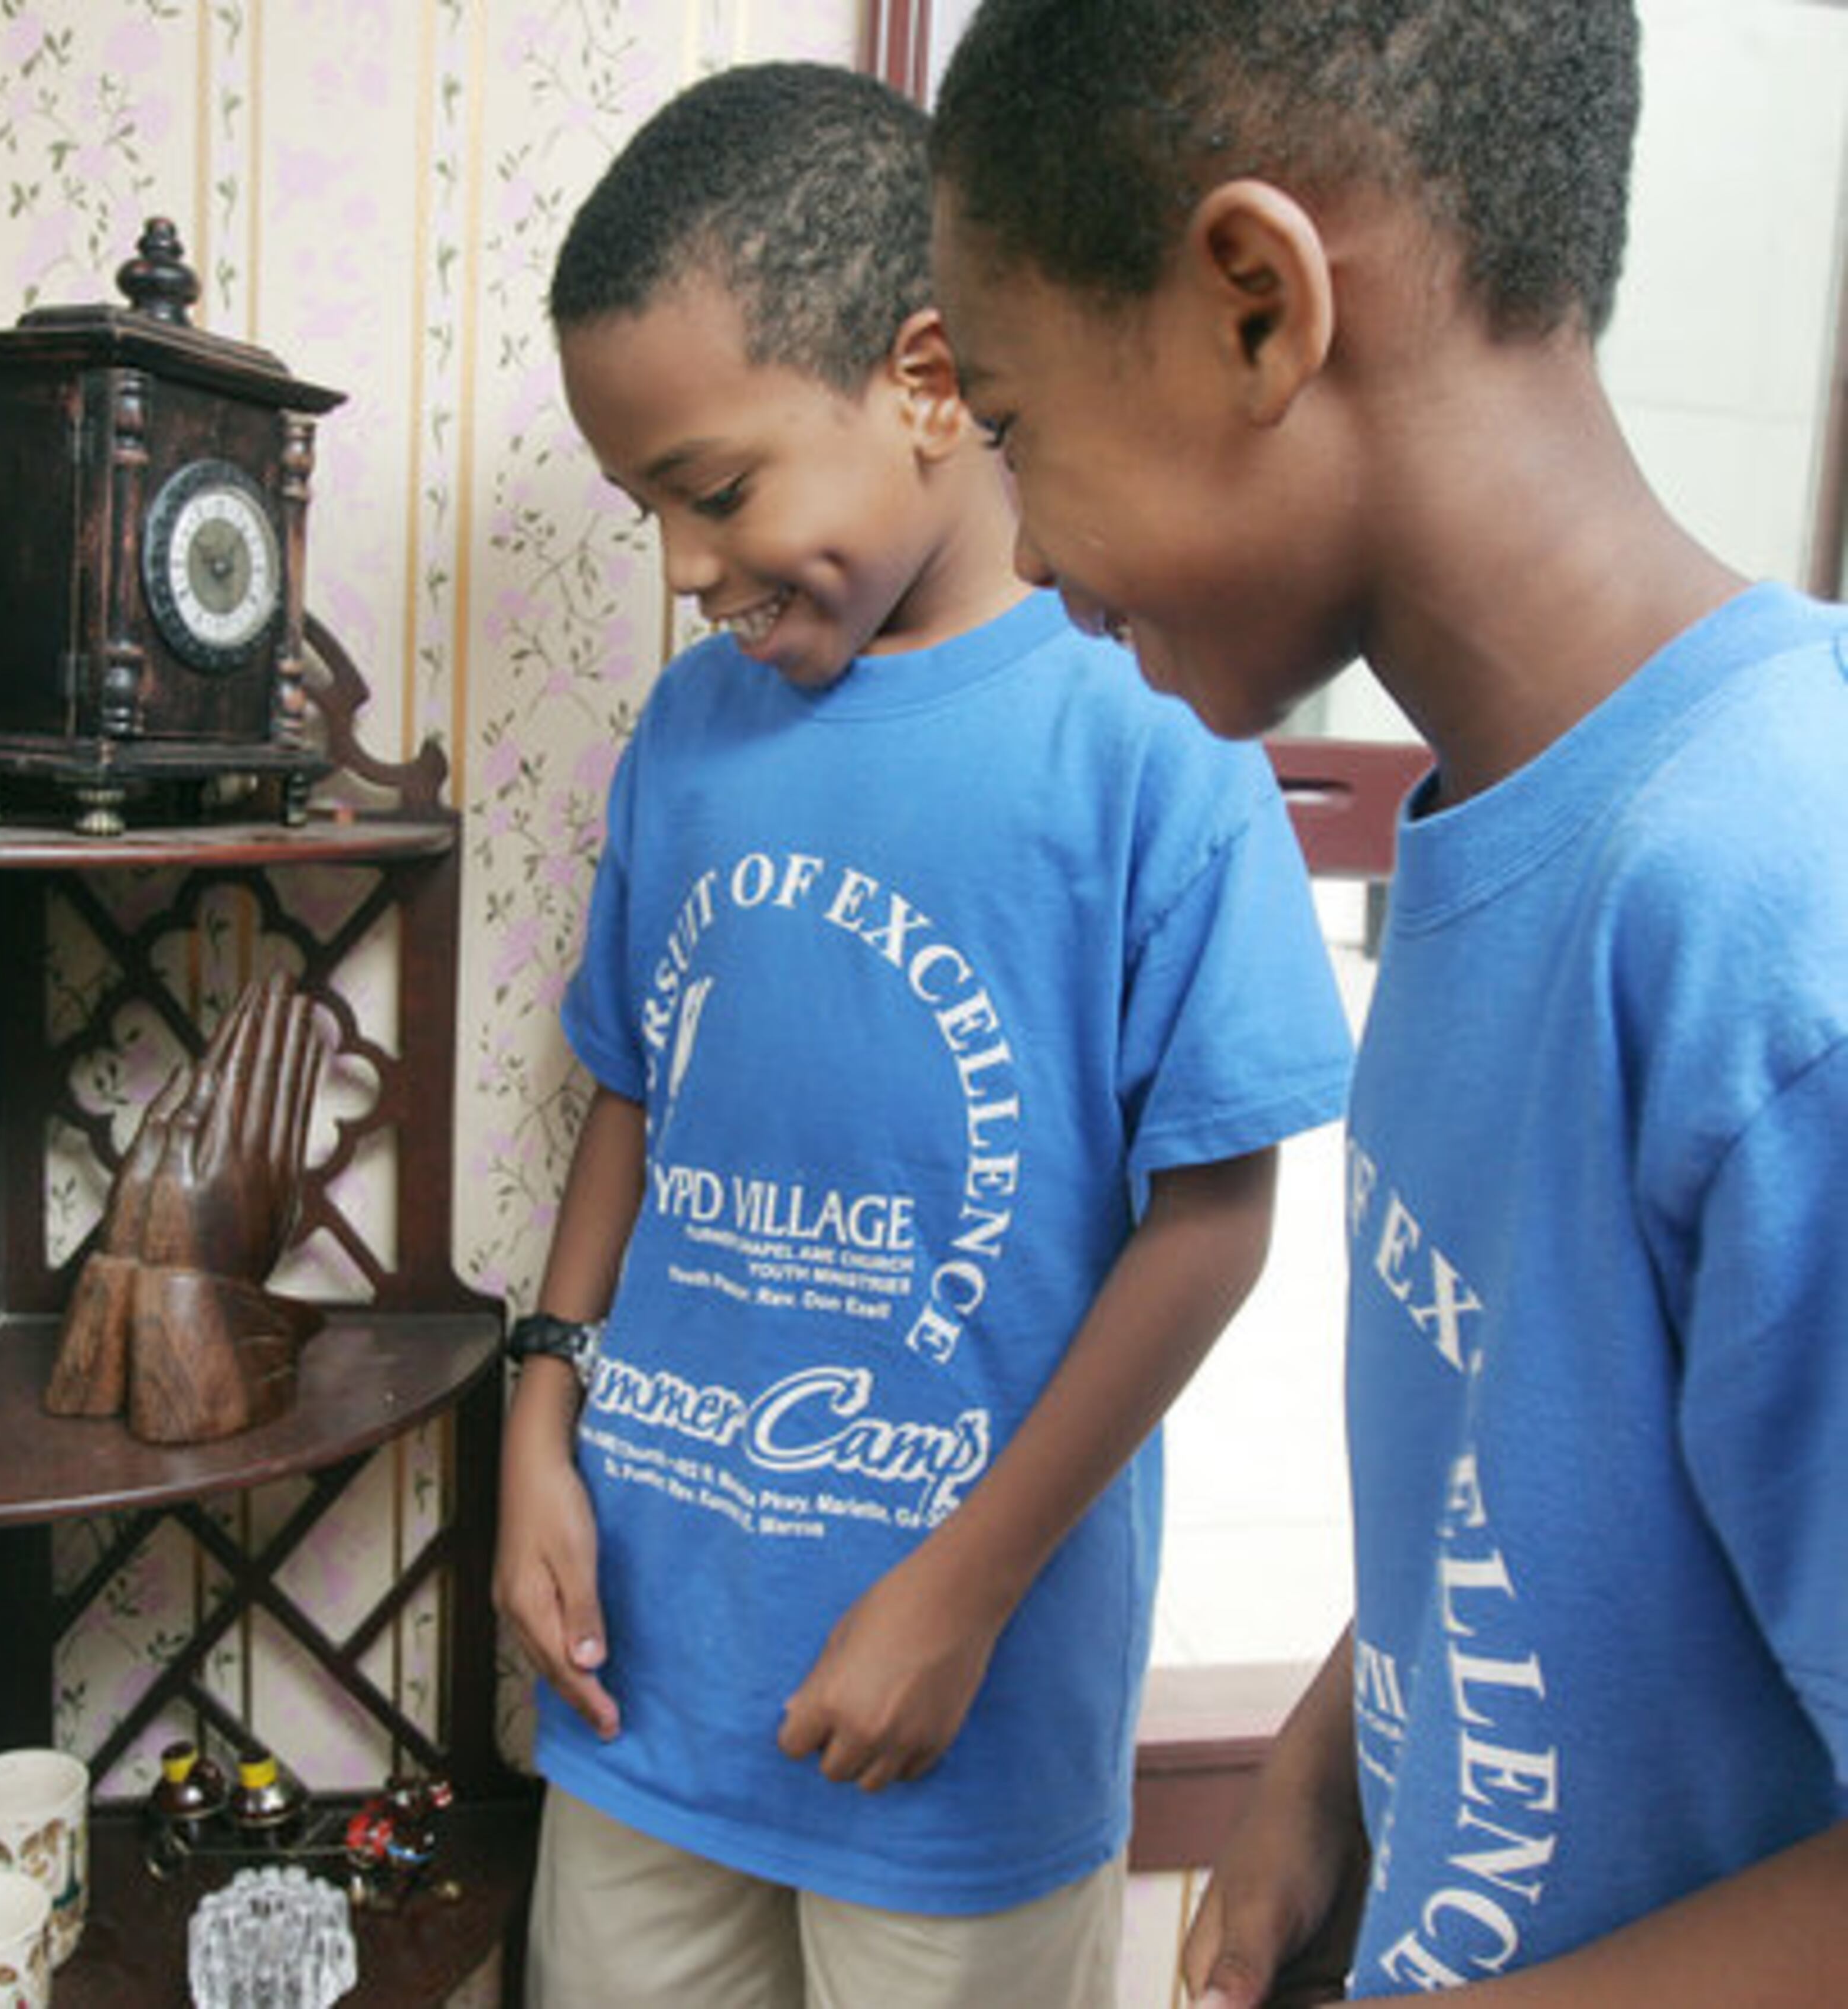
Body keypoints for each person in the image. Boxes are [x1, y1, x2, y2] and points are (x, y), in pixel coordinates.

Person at [928, 2, 1848, 2003]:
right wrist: (1329, 1758)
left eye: (1013, 428)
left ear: (1258, 305)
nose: (1028, 545)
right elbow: (1554, 1476)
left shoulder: (1784, 923)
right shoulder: (1504, 822)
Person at [493, 58, 1356, 2009]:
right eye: (649, 509)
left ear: (932, 381)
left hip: (959, 1718)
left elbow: (1215, 1221)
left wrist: (961, 1591)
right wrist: (543, 1409)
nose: (685, 569)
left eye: (715, 490)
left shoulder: (1152, 727)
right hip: (648, 1675)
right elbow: (635, 1080)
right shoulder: (689, 740)